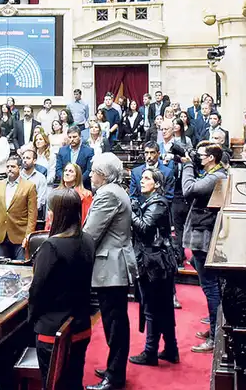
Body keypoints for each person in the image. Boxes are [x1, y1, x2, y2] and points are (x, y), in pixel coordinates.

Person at [29, 188, 95, 388]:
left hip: (53, 330)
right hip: (81, 325)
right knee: (74, 382)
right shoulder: (89, 240)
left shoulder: (52, 246)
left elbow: (37, 291)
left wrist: (32, 319)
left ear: (56, 214)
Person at [84, 153, 137, 390]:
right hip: (115, 264)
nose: (90, 175)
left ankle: (114, 377)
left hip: (111, 266)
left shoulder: (106, 194)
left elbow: (90, 234)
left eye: (94, 171)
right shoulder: (117, 190)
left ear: (103, 175)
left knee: (115, 324)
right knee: (115, 322)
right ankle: (113, 369)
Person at [129, 169, 179, 366]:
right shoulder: (151, 202)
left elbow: (144, 228)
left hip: (155, 263)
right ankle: (171, 349)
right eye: (142, 178)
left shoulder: (158, 203)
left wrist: (131, 212)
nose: (142, 181)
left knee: (152, 307)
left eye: (147, 178)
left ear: (157, 184)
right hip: (155, 260)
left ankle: (150, 352)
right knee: (163, 308)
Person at [181, 142, 227, 353]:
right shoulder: (215, 174)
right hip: (203, 236)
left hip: (205, 238)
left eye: (201, 155)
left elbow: (188, 190)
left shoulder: (216, 177)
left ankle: (216, 337)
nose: (198, 158)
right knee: (210, 286)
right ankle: (213, 328)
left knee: (210, 288)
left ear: (211, 158)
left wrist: (187, 165)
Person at [0, 156, 38, 260]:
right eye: (7, 166)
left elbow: (32, 215)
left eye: (13, 166)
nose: (9, 169)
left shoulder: (29, 186)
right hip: (1, 235)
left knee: (20, 270)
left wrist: (28, 236)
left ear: (19, 168)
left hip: (20, 235)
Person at [56, 125, 94, 190]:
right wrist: (67, 179)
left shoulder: (89, 151)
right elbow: (58, 169)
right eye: (70, 137)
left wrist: (77, 181)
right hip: (65, 186)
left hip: (83, 186)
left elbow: (89, 170)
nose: (72, 139)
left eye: (74, 137)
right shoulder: (62, 150)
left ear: (80, 137)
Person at [20, 148, 51, 213]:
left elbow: (41, 199)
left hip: (34, 212)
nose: (25, 160)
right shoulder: (18, 176)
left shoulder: (41, 178)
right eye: (24, 158)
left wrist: (29, 209)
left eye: (28, 158)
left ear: (34, 161)